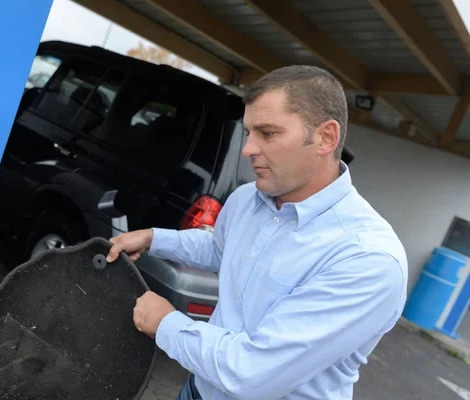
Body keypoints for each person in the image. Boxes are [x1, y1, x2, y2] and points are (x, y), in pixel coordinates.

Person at [106, 65, 408, 400]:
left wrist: (164, 322)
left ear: (325, 137)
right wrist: (154, 238)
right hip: (198, 389)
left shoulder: (367, 259)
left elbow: (251, 374)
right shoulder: (249, 198)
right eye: (249, 132)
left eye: (268, 133)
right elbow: (222, 248)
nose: (248, 149)